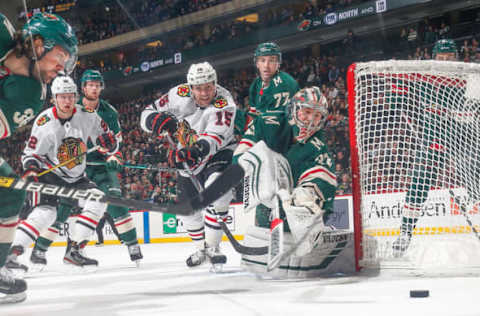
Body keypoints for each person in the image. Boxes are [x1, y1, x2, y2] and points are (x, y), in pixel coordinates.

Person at [0, 12, 77, 303]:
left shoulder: (31, 94)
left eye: (67, 61)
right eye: (60, 56)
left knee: (9, 193)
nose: (62, 67)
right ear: (37, 44)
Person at [31, 69, 143, 268]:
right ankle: (41, 249)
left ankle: (132, 246)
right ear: (82, 89)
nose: (94, 88)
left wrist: (113, 155)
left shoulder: (109, 112)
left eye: (97, 85)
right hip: (73, 167)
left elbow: (116, 142)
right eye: (90, 85)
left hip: (101, 167)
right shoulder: (71, 108)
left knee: (114, 198)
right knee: (63, 208)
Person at [5, 75, 117, 272]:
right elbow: (31, 154)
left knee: (98, 199)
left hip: (76, 176)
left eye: (71, 96)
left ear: (76, 96)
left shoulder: (88, 114)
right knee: (46, 214)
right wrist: (31, 169)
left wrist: (109, 144)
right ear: (54, 98)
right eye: (62, 97)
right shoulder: (44, 121)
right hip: (50, 174)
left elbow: (107, 139)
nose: (67, 101)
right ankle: (10, 255)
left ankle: (73, 251)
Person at [140, 61, 236, 270]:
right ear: (190, 87)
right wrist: (153, 121)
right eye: (199, 88)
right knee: (186, 211)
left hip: (216, 152)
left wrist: (195, 151)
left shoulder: (224, 102)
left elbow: (214, 138)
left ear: (215, 83)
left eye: (208, 87)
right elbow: (147, 112)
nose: (204, 93)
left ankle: (213, 247)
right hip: (187, 156)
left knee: (218, 189)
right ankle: (200, 249)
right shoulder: (178, 94)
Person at [234, 86, 338, 275]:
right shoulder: (268, 121)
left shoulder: (318, 146)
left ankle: (309, 228)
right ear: (294, 109)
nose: (310, 121)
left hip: (293, 204)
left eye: (317, 116)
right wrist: (259, 171)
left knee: (304, 196)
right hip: (266, 205)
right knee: (264, 163)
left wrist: (305, 196)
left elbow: (326, 179)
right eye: (307, 112)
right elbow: (239, 157)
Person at [392, 39, 462, 256]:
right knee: (420, 178)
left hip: (463, 137)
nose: (446, 61)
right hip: (434, 138)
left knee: (474, 176)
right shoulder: (424, 75)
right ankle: (405, 232)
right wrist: (398, 94)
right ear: (434, 57)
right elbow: (399, 83)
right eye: (442, 57)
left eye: (449, 56)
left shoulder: (468, 77)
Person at [248, 42, 299, 116]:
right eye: (262, 60)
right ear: (257, 64)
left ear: (278, 63)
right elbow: (253, 115)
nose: (266, 65)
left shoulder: (287, 83)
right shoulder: (255, 85)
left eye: (271, 60)